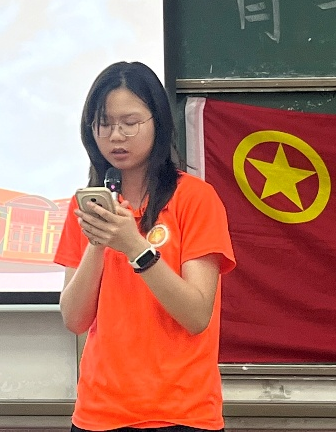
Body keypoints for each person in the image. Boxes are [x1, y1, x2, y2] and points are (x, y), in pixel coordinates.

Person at [54, 61, 236, 432]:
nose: (116, 136)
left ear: (158, 122)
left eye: (130, 122)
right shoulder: (86, 206)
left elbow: (196, 315)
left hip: (182, 414)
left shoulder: (196, 199)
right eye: (104, 123)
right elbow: (74, 319)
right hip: (99, 414)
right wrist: (99, 242)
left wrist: (136, 247)